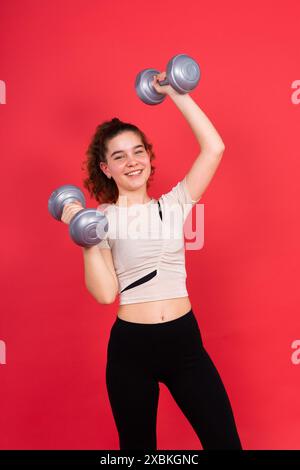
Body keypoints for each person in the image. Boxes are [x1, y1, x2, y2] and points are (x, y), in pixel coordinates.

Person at [62, 72, 243, 450]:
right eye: (118, 156)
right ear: (106, 169)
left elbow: (215, 148)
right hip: (132, 349)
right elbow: (105, 294)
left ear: (148, 156)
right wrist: (84, 236)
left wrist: (174, 92)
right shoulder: (102, 220)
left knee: (225, 443)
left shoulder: (174, 204)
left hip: (183, 343)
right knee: (137, 453)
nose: (131, 162)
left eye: (138, 151)